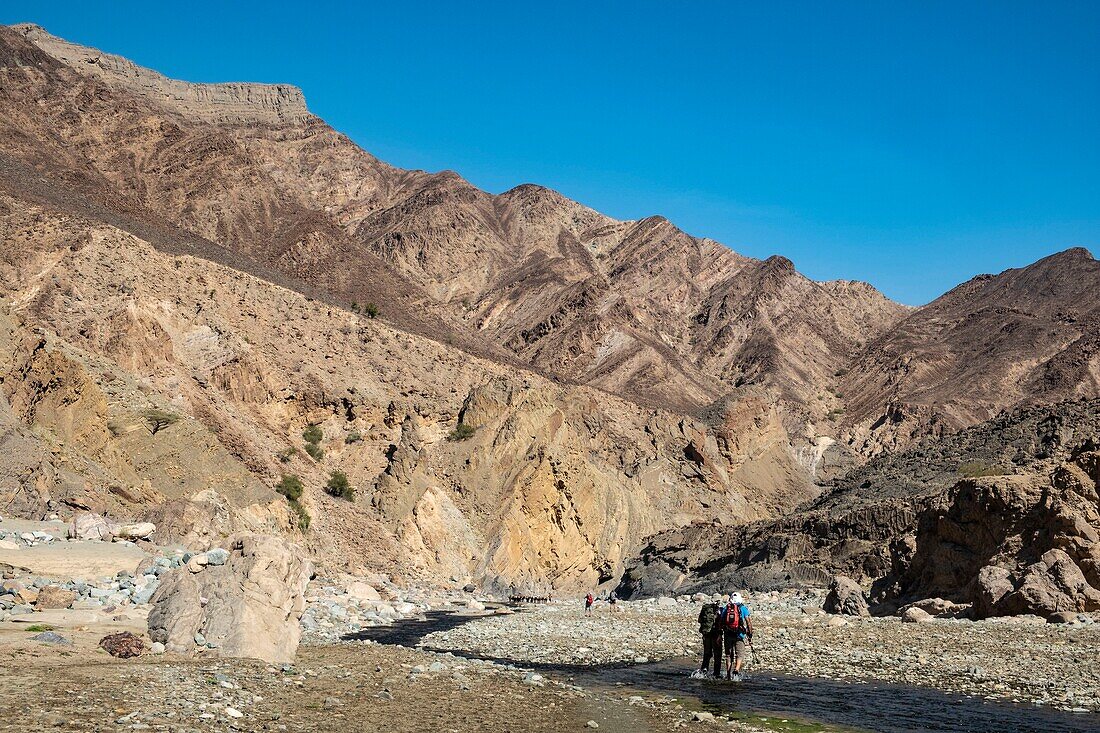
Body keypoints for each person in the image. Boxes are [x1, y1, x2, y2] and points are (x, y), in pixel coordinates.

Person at [721, 592, 754, 681]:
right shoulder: (743, 608)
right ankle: (736, 670)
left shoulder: (726, 608)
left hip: (728, 634)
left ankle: (728, 676)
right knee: (739, 654)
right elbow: (748, 622)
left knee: (728, 655)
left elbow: (722, 620)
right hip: (739, 635)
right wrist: (750, 634)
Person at [692, 597, 723, 679]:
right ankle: (716, 674)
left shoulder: (705, 609)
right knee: (717, 655)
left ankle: (703, 671)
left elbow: (699, 620)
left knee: (707, 654)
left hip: (706, 634)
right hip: (716, 635)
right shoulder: (720, 610)